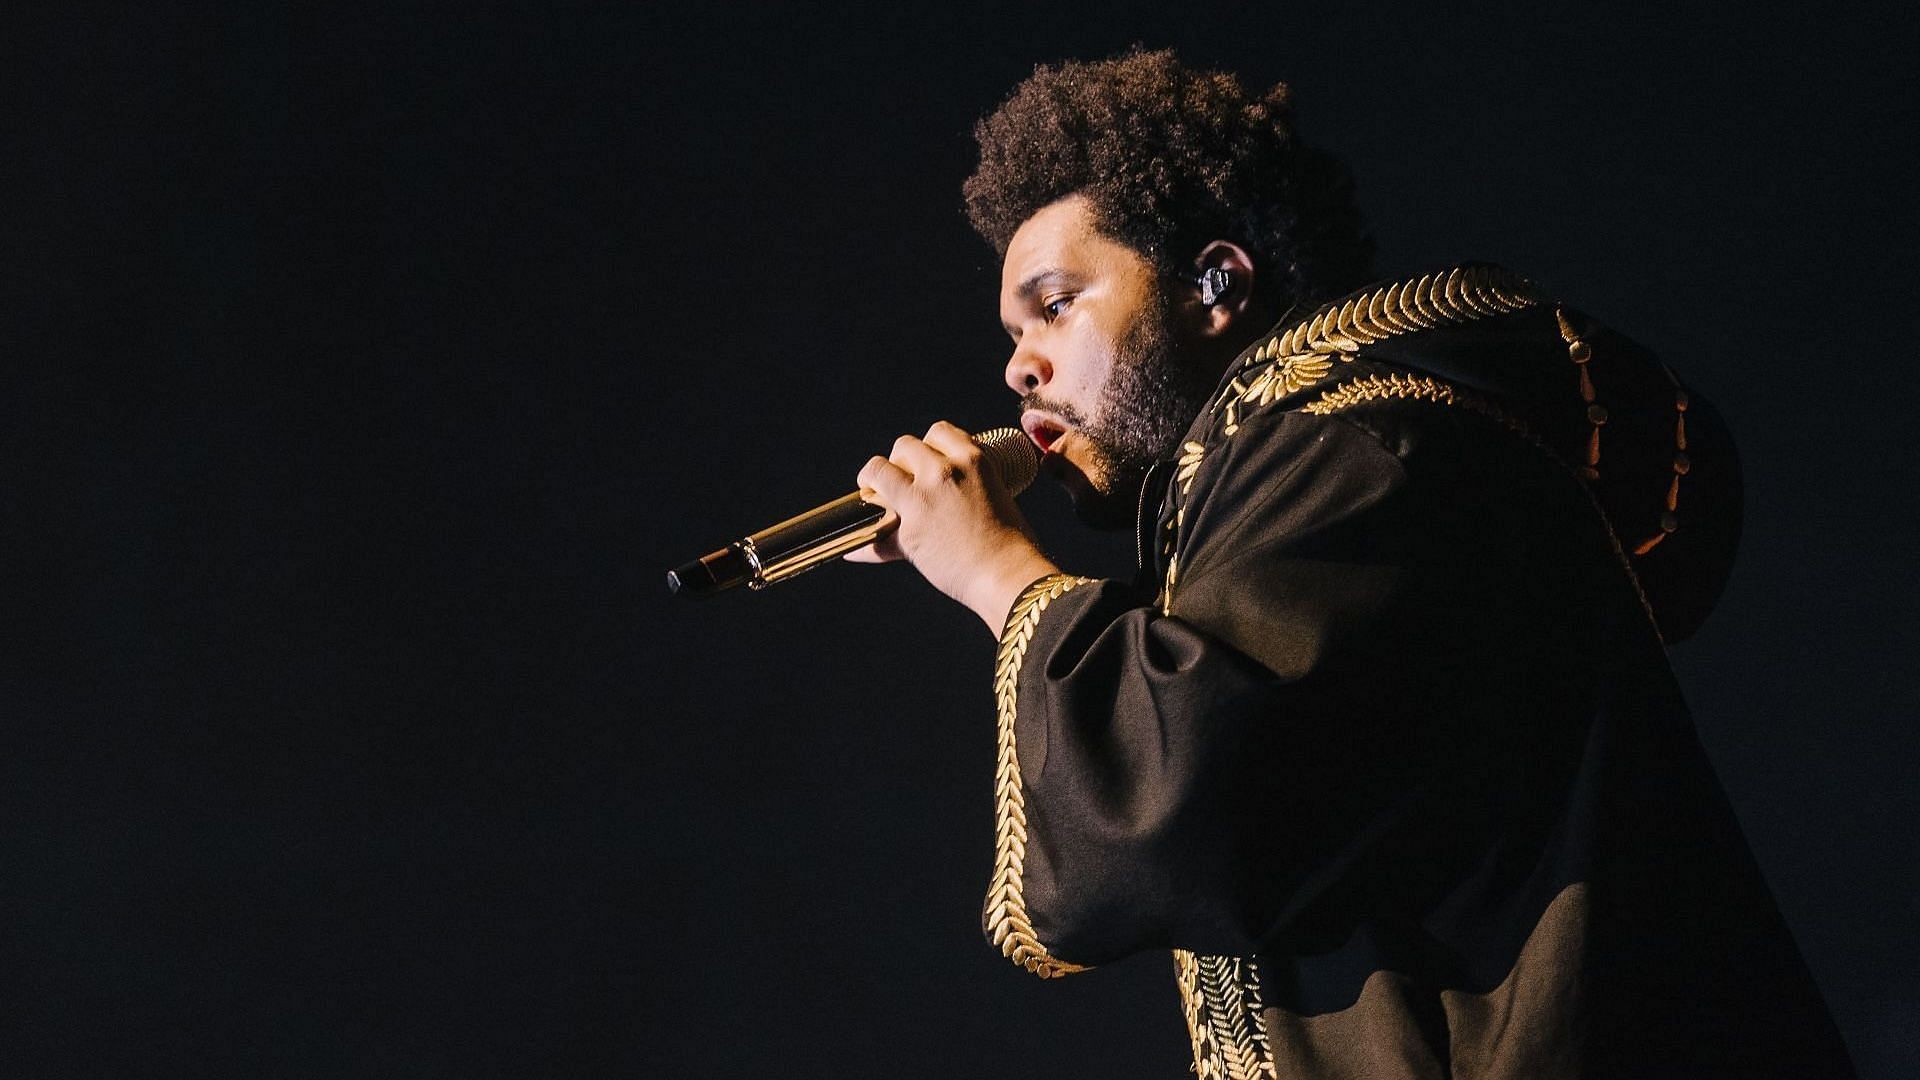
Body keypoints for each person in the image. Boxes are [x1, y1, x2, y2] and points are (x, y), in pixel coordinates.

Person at [846, 49, 1854, 1078]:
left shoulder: (1361, 445)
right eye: (1014, 335)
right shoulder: (1292, 474)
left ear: (1214, 284)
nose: (1019, 367)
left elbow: (1183, 807)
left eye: (1054, 307)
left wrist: (994, 572)